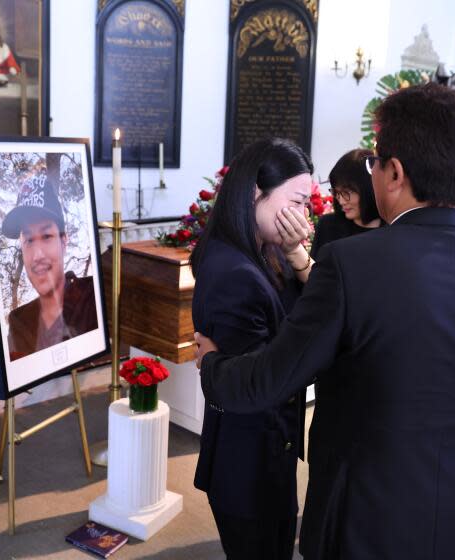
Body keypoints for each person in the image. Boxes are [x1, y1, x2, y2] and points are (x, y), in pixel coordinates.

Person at [196, 83, 455, 559]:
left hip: (359, 517)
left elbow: (272, 376)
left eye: (374, 161)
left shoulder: (352, 264)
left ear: (393, 172)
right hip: (451, 514)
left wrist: (212, 364)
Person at [189, 137, 315, 560]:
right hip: (249, 459)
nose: (303, 217)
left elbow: (289, 321)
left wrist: (296, 253)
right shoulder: (235, 272)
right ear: (256, 193)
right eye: (297, 202)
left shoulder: (259, 251)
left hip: (264, 448)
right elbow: (261, 380)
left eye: (308, 205)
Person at [3, 174, 96, 361]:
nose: (37, 255)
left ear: (64, 241)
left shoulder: (92, 297)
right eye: (28, 240)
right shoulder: (19, 321)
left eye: (46, 236)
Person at [310, 148, 383, 259]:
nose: (341, 201)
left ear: (369, 190)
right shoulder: (328, 225)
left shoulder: (392, 230)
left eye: (347, 192)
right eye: (337, 192)